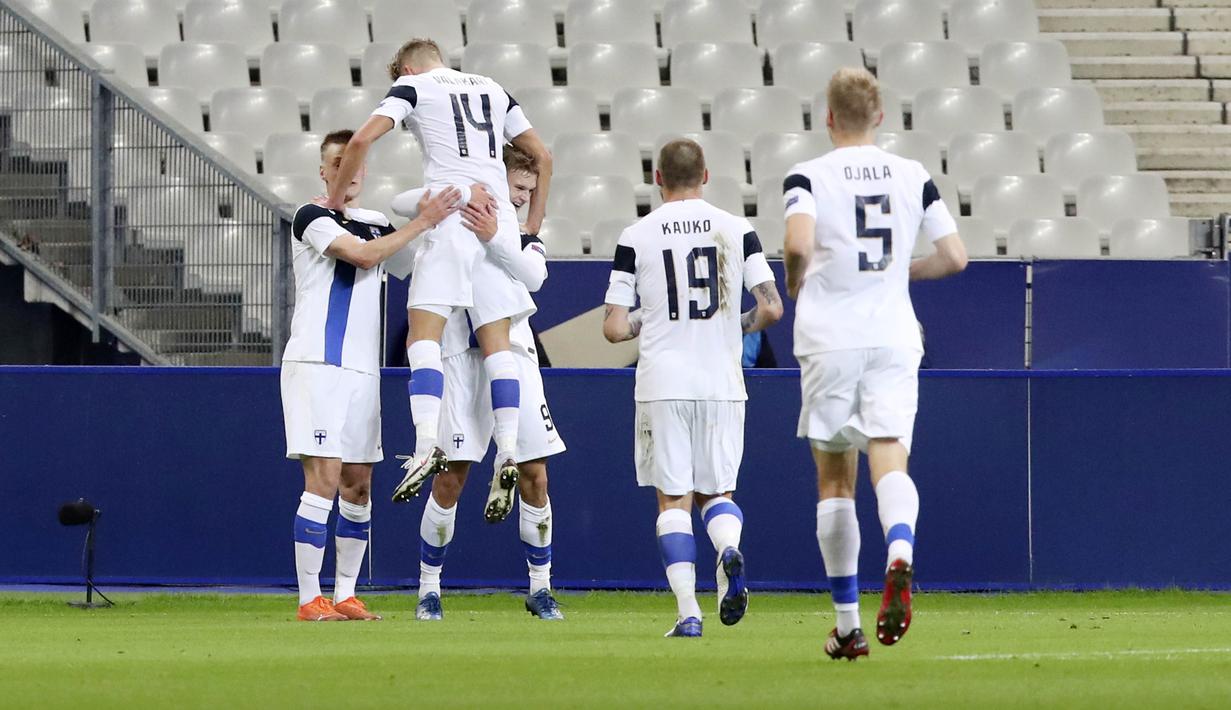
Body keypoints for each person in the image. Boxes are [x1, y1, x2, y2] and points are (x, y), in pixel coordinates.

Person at [782, 67, 968, 660]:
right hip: (893, 335)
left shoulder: (807, 175)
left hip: (830, 336)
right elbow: (956, 257)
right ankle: (901, 551)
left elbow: (796, 243)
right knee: (888, 453)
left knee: (835, 477)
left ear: (828, 117)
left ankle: (847, 625)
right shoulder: (914, 176)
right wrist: (899, 273)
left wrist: (795, 284)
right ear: (881, 116)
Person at [323, 38, 553, 517]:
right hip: (495, 224)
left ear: (406, 67)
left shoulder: (412, 86)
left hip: (450, 220)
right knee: (499, 343)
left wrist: (336, 198)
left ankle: (427, 441)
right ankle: (508, 447)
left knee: (422, 336)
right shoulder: (494, 88)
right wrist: (531, 223)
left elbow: (362, 138)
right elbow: (542, 156)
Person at [603, 139, 784, 638]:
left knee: (673, 500)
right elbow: (771, 309)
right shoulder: (737, 228)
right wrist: (735, 324)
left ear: (657, 179)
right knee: (718, 492)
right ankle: (728, 549)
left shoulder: (636, 235)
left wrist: (649, 317)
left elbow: (615, 328)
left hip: (663, 382)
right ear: (706, 174)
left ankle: (688, 614)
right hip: (722, 382)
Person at [281, 130, 460, 622]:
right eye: (339, 162)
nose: (349, 170)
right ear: (324, 171)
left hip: (363, 371)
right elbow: (362, 256)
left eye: (356, 163)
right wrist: (423, 219)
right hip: (319, 362)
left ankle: (345, 594)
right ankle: (307, 598)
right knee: (324, 478)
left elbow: (410, 261)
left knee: (358, 485)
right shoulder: (310, 215)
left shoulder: (378, 221)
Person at [389, 145, 566, 621]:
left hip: (515, 359)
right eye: (517, 187)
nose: (524, 198)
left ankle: (541, 588)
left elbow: (535, 277)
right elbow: (399, 258)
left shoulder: (522, 234)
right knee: (450, 479)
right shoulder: (449, 218)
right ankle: (429, 590)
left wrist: (495, 236)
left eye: (530, 191)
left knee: (536, 474)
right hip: (458, 361)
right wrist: (443, 213)